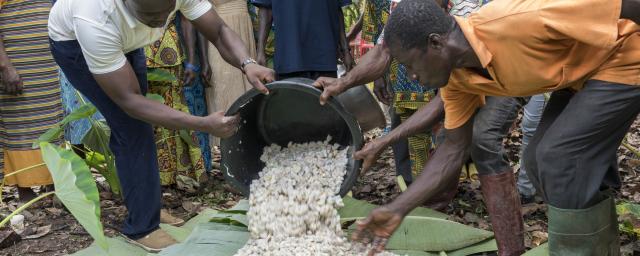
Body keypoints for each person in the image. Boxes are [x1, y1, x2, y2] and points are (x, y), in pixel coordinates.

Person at [323, 0, 639, 254]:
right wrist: (396, 210)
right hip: (579, 78)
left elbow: (627, 6)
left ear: (435, 43)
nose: (412, 76)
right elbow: (453, 149)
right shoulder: (458, 79)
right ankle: (600, 241)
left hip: (624, 60)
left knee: (560, 158)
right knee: (536, 162)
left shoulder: (516, 19)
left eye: (410, 65)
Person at [48, 0, 275, 251]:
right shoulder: (94, 18)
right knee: (132, 126)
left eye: (165, 13)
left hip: (125, 40)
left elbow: (219, 31)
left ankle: (146, 209)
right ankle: (142, 228)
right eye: (150, 15)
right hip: (75, 45)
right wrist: (202, 124)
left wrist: (248, 63)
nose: (160, 21)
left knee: (139, 127)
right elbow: (131, 101)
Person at [0, 0, 62, 202]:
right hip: (15, 55)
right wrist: (5, 66)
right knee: (20, 120)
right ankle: (24, 189)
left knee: (51, 118)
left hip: (47, 55)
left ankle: (54, 183)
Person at [144, 13, 207, 194]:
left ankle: (179, 175)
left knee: (172, 111)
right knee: (161, 113)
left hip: (162, 52)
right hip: (150, 52)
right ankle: (166, 176)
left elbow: (188, 18)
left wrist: (192, 62)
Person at [252, 0, 355, 80]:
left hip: (324, 56)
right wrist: (260, 50)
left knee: (326, 106)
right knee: (290, 106)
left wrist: (345, 50)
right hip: (290, 57)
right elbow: (265, 9)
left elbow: (336, 9)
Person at [203, 0, 257, 146]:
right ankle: (225, 145)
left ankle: (249, 140)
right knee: (224, 85)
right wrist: (204, 61)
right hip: (219, 31)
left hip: (244, 30)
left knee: (247, 83)